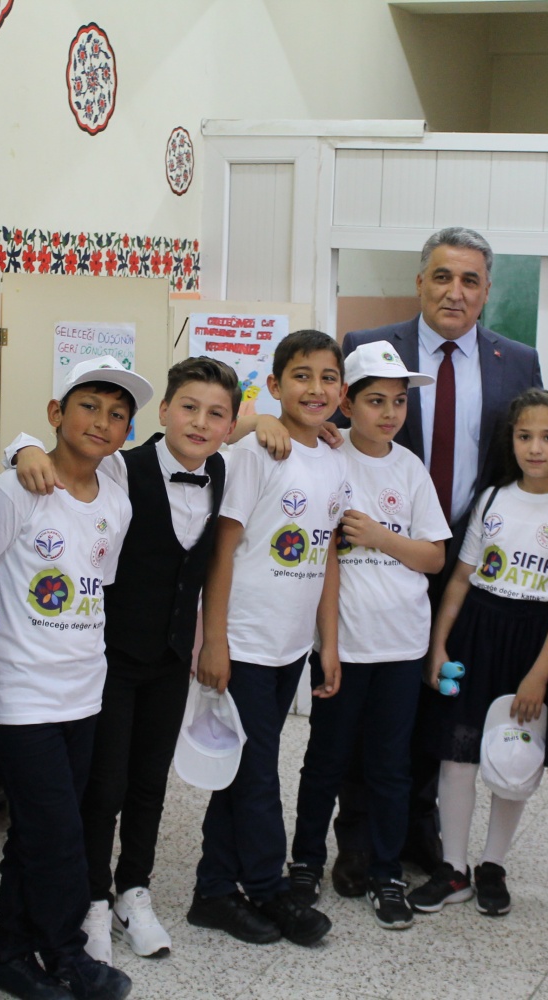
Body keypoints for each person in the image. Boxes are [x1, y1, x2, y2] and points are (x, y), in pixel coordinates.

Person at [334, 226, 548, 889]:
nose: (456, 292)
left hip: (471, 568)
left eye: (471, 281)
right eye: (443, 277)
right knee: (366, 706)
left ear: (487, 292)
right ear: (421, 281)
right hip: (381, 555)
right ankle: (360, 840)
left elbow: (544, 435)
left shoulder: (517, 360)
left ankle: (422, 833)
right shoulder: (369, 350)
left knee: (438, 706)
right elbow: (322, 422)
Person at [6, 357, 241, 962]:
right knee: (102, 786)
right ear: (161, 413)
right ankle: (90, 901)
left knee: (149, 785)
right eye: (187, 407)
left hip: (169, 657)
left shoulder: (224, 470)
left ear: (229, 424)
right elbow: (49, 447)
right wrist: (22, 447)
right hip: (106, 657)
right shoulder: (118, 463)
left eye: (217, 414)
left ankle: (133, 891)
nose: (200, 422)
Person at [0, 356, 150, 1000]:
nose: (102, 422)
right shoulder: (14, 489)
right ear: (55, 413)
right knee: (58, 839)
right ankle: (68, 957)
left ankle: (8, 952)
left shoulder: (116, 494)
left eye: (117, 414)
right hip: (19, 695)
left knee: (39, 833)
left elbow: (95, 586)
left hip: (84, 690)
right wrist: (21, 448)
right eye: (88, 406)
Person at [187, 330, 349, 948]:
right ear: (276, 385)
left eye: (328, 377)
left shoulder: (334, 459)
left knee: (242, 769)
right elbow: (223, 553)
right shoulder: (257, 453)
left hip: (289, 647)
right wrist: (215, 641)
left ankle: (213, 890)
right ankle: (269, 887)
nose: (316, 388)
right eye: (301, 376)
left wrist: (325, 642)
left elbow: (326, 554)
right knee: (257, 776)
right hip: (246, 643)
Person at [409, 389, 548, 917]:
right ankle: (453, 869)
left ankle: (493, 864)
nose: (534, 448)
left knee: (516, 754)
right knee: (458, 754)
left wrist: (539, 675)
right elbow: (461, 580)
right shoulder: (492, 498)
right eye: (524, 436)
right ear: (509, 440)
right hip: (478, 633)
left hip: (536, 640)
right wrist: (439, 644)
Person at [286, 342, 450, 931]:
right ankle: (304, 862)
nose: (388, 413)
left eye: (399, 402)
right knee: (325, 761)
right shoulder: (329, 457)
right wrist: (327, 645)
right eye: (375, 400)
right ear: (346, 403)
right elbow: (324, 555)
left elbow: (433, 557)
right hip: (343, 646)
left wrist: (381, 537)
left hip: (401, 647)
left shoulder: (408, 468)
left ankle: (386, 872)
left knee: (390, 766)